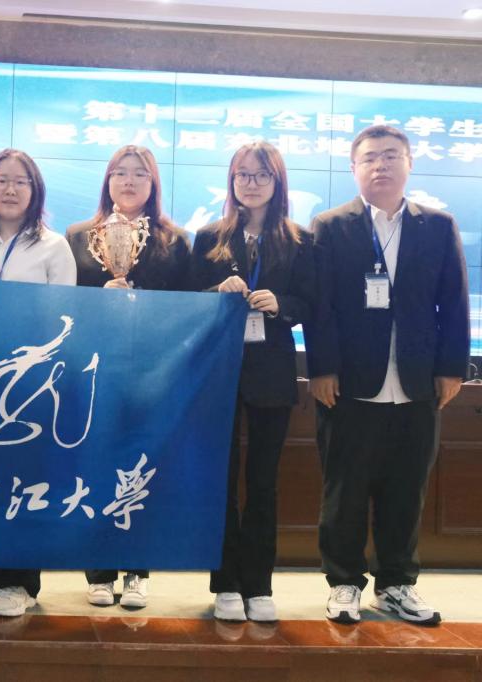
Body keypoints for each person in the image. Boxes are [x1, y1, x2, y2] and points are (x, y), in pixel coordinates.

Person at [305, 125, 469, 626]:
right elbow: (320, 306)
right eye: (371, 157)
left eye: (392, 156)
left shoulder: (437, 225)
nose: (381, 165)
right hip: (349, 383)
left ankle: (396, 584)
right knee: (345, 490)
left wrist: (451, 369)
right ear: (354, 168)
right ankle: (344, 583)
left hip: (417, 382)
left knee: (405, 490)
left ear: (409, 163)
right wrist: (321, 368)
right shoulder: (330, 226)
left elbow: (454, 302)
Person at [190, 142, 315, 623]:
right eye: (242, 174)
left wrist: (281, 304)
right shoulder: (210, 237)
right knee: (221, 480)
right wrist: (215, 292)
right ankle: (225, 582)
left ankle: (259, 584)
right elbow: (188, 303)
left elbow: (310, 304)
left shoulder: (299, 240)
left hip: (272, 373)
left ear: (277, 181)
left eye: (262, 175)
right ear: (232, 180)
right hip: (218, 372)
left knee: (263, 483)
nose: (251, 183)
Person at [65, 144, 190, 609]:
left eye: (140, 173)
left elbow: (186, 309)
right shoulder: (79, 236)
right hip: (93, 369)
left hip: (153, 372)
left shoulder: (175, 241)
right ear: (108, 180)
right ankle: (98, 571)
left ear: (153, 182)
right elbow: (65, 304)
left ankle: (138, 570)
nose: (129, 181)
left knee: (143, 465)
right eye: (120, 172)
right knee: (95, 465)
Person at [0, 148, 75, 617]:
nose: (10, 189)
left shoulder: (53, 246)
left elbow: (65, 317)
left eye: (20, 181)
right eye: (1, 180)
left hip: (32, 383)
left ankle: (20, 583)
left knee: (25, 478)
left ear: (35, 190)